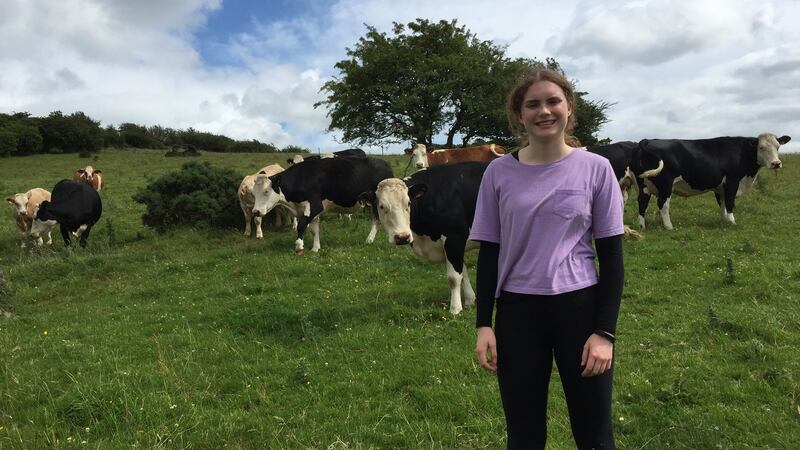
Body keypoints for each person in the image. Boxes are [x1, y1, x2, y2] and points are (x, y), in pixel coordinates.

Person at [471, 68, 625, 449]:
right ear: (519, 114)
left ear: (568, 108)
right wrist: (484, 324)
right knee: (524, 437)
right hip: (518, 315)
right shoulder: (497, 174)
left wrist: (604, 333)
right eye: (533, 104)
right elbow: (489, 252)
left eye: (553, 101)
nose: (544, 111)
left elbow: (612, 259)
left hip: (580, 311)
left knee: (594, 436)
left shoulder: (597, 169)